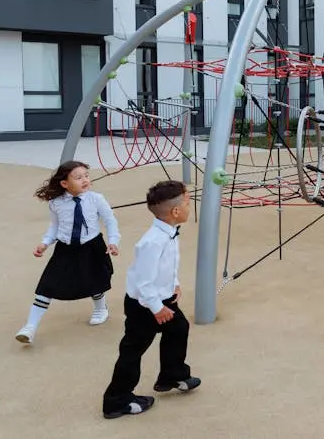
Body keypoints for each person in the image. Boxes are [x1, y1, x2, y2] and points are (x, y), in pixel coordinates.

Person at [102, 180, 200, 420]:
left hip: (163, 297)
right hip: (144, 306)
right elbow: (144, 282)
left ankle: (171, 375)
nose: (190, 207)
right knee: (133, 349)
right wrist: (157, 308)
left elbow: (167, 266)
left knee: (179, 328)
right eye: (188, 203)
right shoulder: (152, 242)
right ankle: (116, 400)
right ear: (175, 211)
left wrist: (174, 284)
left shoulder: (169, 232)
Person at [16, 161, 120, 345]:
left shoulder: (96, 199)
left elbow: (110, 221)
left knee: (95, 280)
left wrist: (113, 241)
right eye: (78, 177)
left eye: (86, 176)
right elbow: (55, 226)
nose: (85, 180)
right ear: (64, 183)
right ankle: (30, 327)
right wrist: (45, 243)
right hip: (65, 248)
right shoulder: (56, 203)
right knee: (47, 284)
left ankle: (100, 309)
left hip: (92, 246)